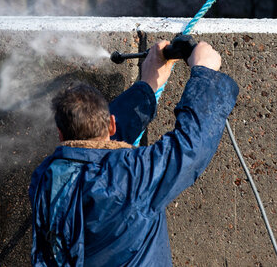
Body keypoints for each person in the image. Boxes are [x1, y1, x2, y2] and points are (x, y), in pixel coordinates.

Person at [28, 40, 239, 266]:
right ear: (111, 124)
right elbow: (189, 147)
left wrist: (147, 86)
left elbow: (91, 156)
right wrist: (205, 74)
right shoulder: (133, 177)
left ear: (60, 135)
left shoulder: (44, 178)